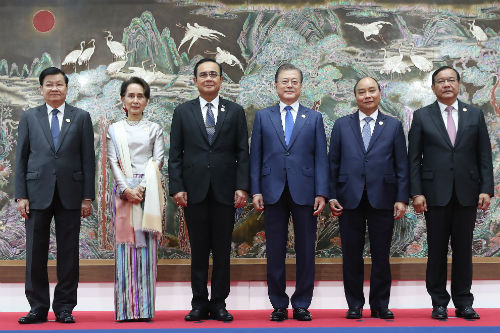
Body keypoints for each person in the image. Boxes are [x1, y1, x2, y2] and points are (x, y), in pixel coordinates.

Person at [408, 66, 493, 320]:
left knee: (464, 250)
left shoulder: (474, 115)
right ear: (433, 87)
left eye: (451, 80)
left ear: (458, 84)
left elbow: (484, 156)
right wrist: (416, 193)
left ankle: (464, 302)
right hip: (434, 194)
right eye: (441, 81)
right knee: (436, 250)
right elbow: (413, 159)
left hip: (467, 192)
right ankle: (438, 302)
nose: (446, 85)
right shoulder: (422, 116)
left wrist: (486, 189)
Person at [168, 58, 249, 322]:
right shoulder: (183, 112)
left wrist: (242, 187)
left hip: (226, 192)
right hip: (194, 192)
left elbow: (242, 153)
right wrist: (177, 187)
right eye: (203, 75)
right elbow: (175, 155)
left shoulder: (235, 111)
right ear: (195, 81)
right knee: (199, 250)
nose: (208, 78)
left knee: (223, 251)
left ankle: (220, 303)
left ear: (221, 80)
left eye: (214, 74)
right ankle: (199, 303)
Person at [15, 67, 95, 324]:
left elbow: (88, 160)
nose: (54, 88)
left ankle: (64, 307)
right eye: (49, 84)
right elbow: (21, 158)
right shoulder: (29, 117)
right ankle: (37, 307)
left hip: (71, 194)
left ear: (67, 88)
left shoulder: (81, 117)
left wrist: (87, 196)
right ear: (41, 89)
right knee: (35, 253)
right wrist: (21, 195)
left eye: (59, 84)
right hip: (36, 193)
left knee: (69, 253)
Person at [250, 63, 328, 322]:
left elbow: (321, 158)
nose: (290, 85)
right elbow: (256, 156)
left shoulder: (314, 118)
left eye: (294, 81)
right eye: (285, 81)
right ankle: (279, 304)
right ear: (276, 86)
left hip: (305, 190)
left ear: (301, 86)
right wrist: (256, 190)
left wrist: (321, 192)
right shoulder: (263, 116)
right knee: (275, 249)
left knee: (306, 249)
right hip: (272, 190)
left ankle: (303, 303)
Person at [328, 77, 408, 320]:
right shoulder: (342, 125)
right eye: (361, 92)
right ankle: (354, 304)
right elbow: (333, 163)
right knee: (351, 255)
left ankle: (380, 304)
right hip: (348, 198)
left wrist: (401, 198)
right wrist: (331, 194)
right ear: (355, 97)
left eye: (371, 90)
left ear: (379, 94)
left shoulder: (393, 125)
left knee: (381, 255)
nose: (367, 95)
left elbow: (401, 165)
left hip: (383, 197)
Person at [106, 77, 164, 321]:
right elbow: (112, 161)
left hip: (148, 193)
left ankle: (145, 310)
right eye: (131, 95)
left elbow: (158, 160)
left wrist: (140, 187)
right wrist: (125, 188)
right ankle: (126, 309)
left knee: (147, 251)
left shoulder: (154, 128)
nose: (135, 100)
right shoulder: (114, 129)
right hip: (123, 194)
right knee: (125, 248)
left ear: (146, 100)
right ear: (122, 100)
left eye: (140, 96)